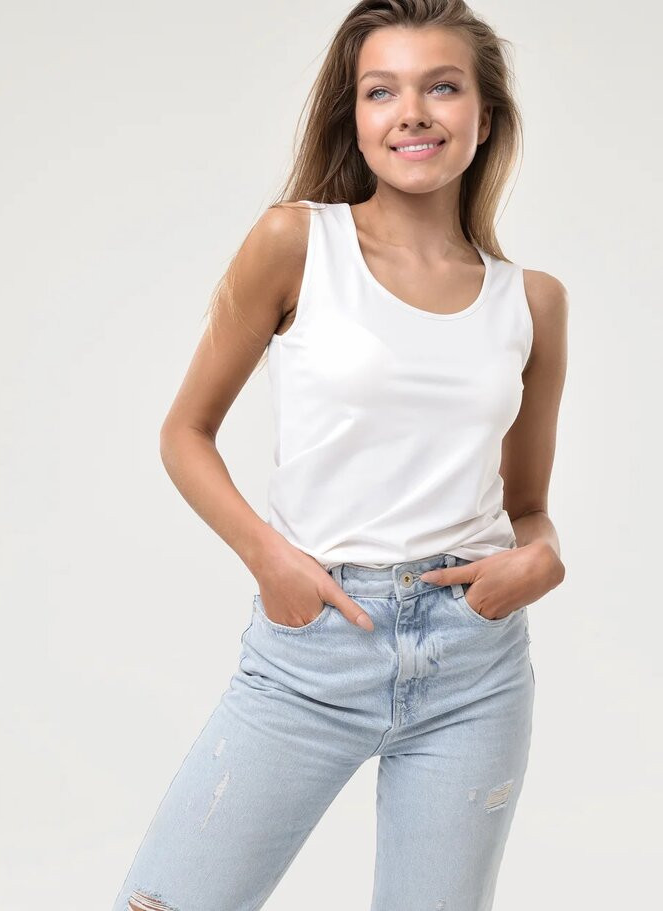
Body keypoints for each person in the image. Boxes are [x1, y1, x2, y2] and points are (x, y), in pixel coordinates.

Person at [112, 1, 568, 909]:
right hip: (315, 647)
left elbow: (526, 504)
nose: (412, 113)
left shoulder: (532, 302)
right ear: (353, 117)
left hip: (474, 662)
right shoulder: (296, 242)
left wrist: (543, 554)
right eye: (380, 91)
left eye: (442, 87)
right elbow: (184, 432)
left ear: (485, 118)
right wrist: (269, 558)